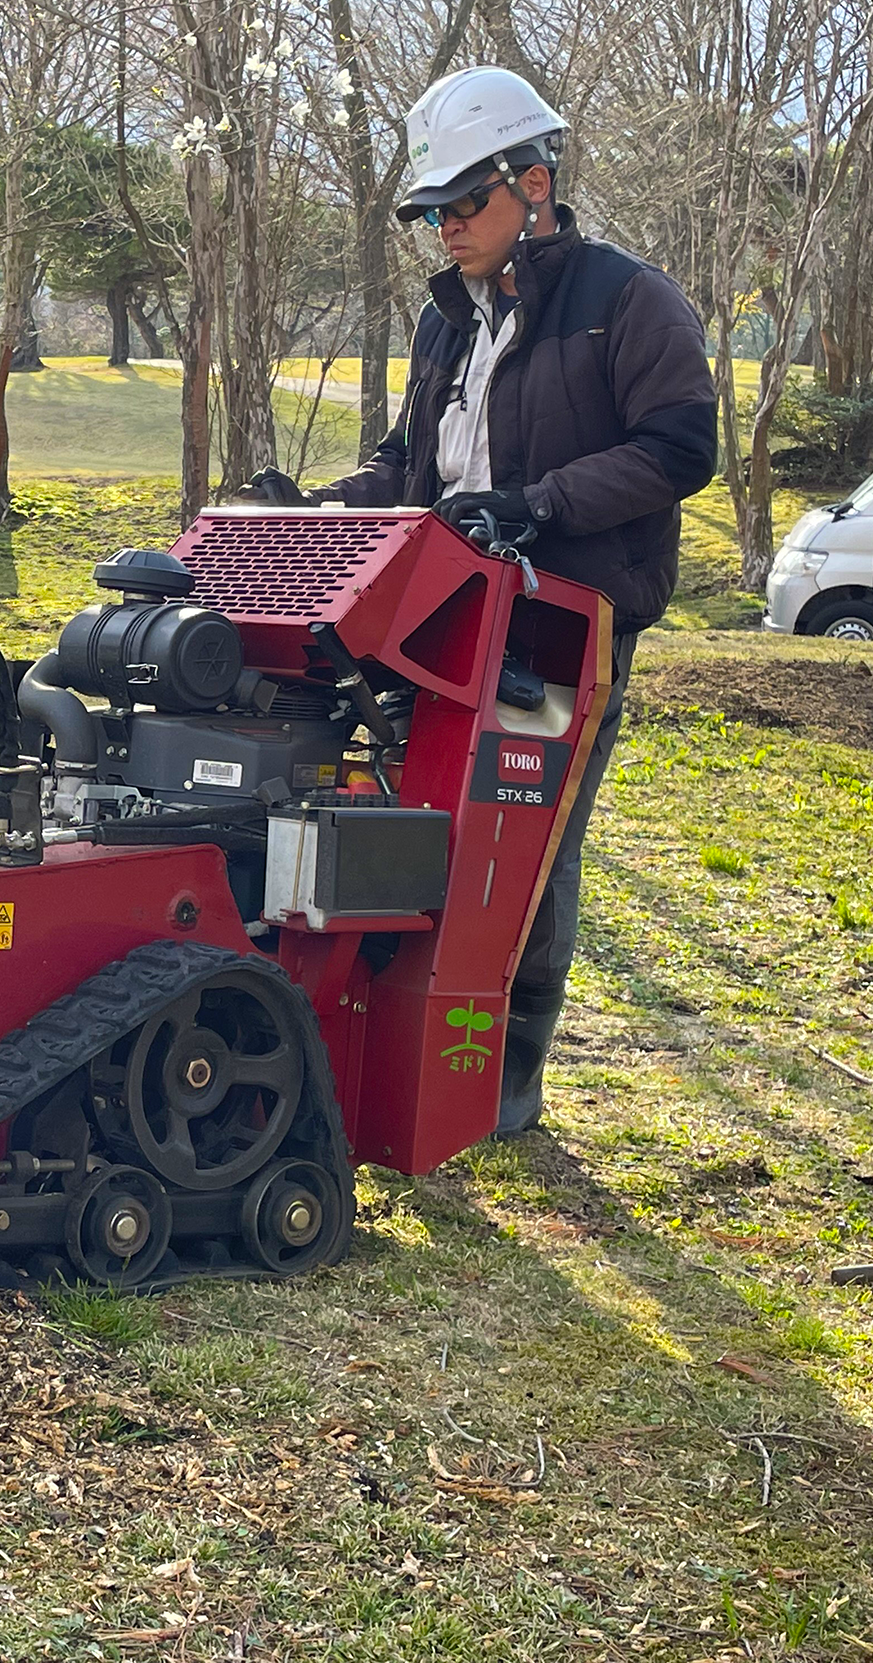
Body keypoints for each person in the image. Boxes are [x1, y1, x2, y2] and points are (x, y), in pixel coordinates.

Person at [244, 67, 716, 1138]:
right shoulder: (446, 320)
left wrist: (537, 506)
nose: (446, 226)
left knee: (524, 849)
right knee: (409, 827)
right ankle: (382, 1053)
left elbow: (681, 448)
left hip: (559, 623)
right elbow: (410, 466)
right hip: (439, 616)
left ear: (534, 182)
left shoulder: (625, 301)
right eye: (432, 210)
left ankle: (507, 1075)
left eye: (464, 201)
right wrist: (320, 504)